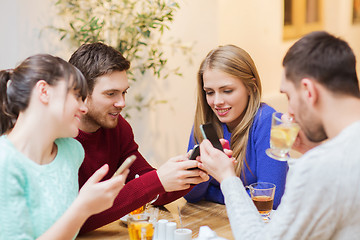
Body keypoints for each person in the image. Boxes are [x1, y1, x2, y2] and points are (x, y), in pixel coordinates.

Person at [197, 31, 360, 239]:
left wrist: (228, 178)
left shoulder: (320, 167)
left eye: (289, 96)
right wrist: (313, 151)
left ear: (309, 91)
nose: (288, 112)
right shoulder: (335, 157)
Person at [68, 42, 209, 233]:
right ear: (82, 93)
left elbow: (151, 190)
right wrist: (157, 180)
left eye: (124, 92)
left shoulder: (118, 128)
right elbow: (74, 219)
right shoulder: (60, 139)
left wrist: (189, 171)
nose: (122, 103)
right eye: (111, 94)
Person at [0, 54, 128, 239]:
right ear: (44, 91)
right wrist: (82, 208)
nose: (83, 108)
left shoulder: (71, 152)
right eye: (77, 96)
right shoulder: (5, 163)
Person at [184, 45, 288, 209]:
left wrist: (213, 192)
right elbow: (191, 195)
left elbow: (268, 200)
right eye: (210, 92)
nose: (217, 101)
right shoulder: (205, 122)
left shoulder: (273, 123)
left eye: (227, 90)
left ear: (251, 87)